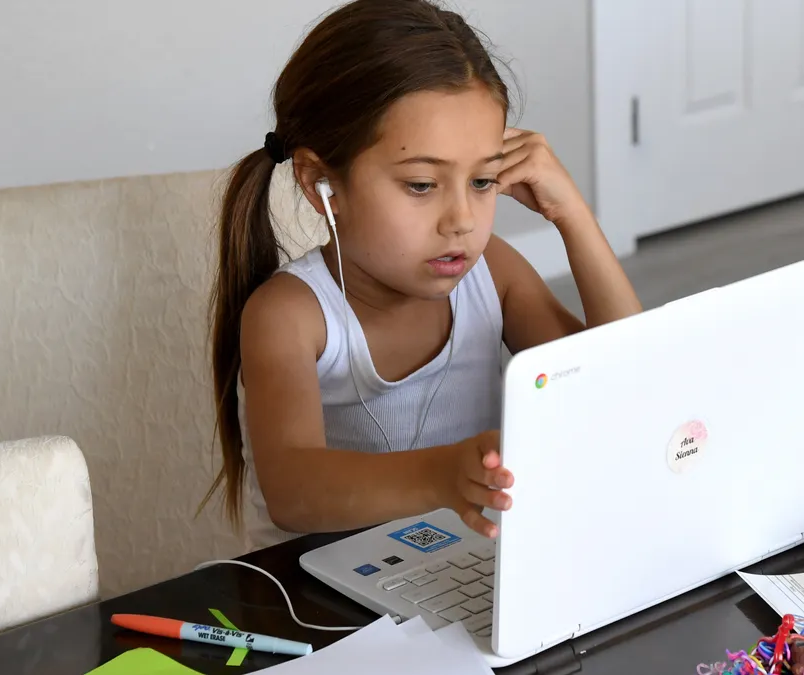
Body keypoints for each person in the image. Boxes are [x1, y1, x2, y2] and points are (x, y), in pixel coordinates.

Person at [204, 0, 642, 549]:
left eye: (482, 182)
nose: (461, 221)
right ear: (322, 184)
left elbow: (628, 384)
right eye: (420, 185)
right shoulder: (290, 315)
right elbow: (293, 493)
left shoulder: (493, 273)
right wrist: (440, 475)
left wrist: (572, 216)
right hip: (313, 603)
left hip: (465, 571)